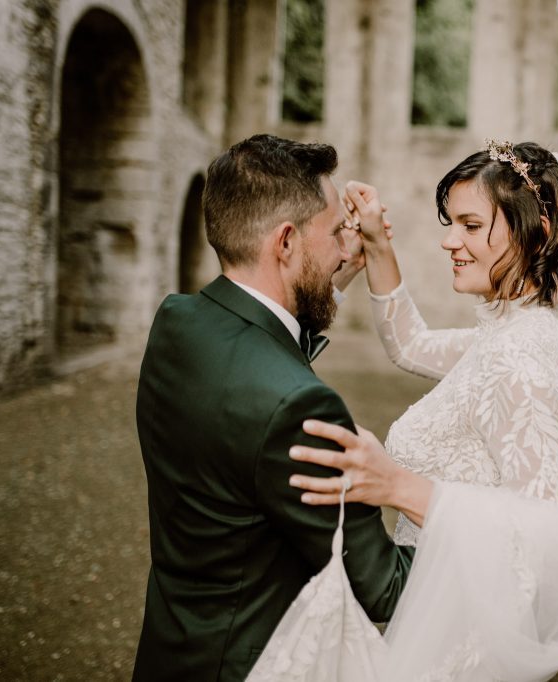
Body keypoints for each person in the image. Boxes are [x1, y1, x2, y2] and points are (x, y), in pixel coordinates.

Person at [250, 141, 558, 681]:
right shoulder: (507, 330)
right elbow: (410, 344)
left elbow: (552, 542)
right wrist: (377, 245)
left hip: (466, 640)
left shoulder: (521, 354)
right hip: (441, 609)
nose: (449, 240)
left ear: (538, 233)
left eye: (472, 225)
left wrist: (395, 486)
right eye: (450, 222)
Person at [132, 134, 416, 682]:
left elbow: (259, 354)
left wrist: (331, 280)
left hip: (174, 651)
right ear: (285, 242)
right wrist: (471, 523)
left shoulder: (176, 323)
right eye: (337, 232)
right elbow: (386, 589)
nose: (345, 248)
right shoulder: (302, 407)